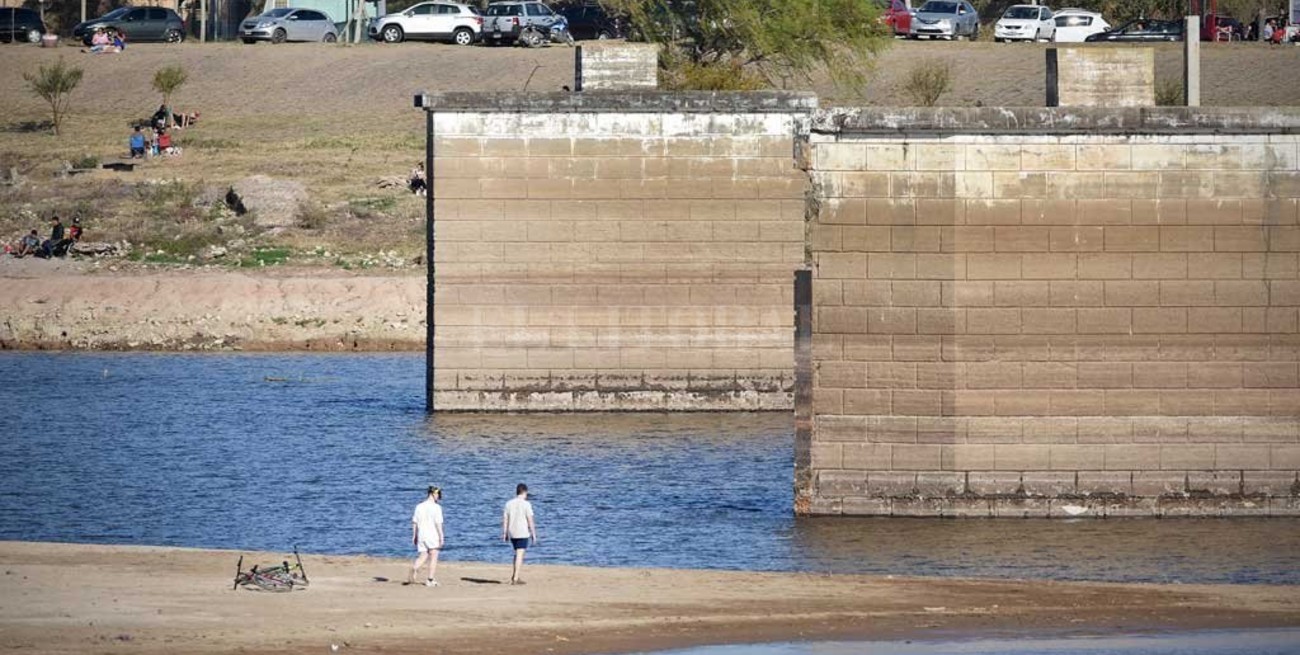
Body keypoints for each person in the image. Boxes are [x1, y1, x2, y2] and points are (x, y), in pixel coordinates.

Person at [408, 485, 444, 587]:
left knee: (423, 555)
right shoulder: (437, 508)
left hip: (422, 535)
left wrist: (414, 535)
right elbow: (438, 524)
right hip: (432, 535)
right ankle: (430, 579)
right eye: (438, 494)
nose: (439, 497)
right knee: (434, 555)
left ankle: (415, 567)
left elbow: (414, 522)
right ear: (433, 494)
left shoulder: (419, 506)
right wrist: (441, 537)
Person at [501, 483, 537, 586]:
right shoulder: (526, 504)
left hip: (512, 532)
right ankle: (515, 578)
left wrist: (505, 533)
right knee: (520, 554)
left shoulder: (508, 504)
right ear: (524, 492)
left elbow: (505, 519)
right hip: (522, 532)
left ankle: (514, 575)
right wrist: (533, 534)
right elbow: (530, 520)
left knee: (517, 553)